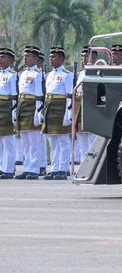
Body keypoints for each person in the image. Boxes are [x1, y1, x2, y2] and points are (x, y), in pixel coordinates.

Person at [41, 47, 73, 180]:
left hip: (61, 107)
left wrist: (68, 115)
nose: (51, 59)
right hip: (49, 106)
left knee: (63, 141)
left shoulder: (67, 74)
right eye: (50, 57)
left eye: (53, 57)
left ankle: (63, 169)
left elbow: (69, 96)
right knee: (52, 141)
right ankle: (54, 169)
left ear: (61, 58)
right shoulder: (49, 75)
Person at [15, 45, 45, 179]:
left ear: (35, 58)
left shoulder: (38, 74)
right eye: (24, 56)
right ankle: (27, 168)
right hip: (22, 106)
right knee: (25, 142)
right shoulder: (22, 74)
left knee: (34, 142)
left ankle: (34, 169)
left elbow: (39, 95)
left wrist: (38, 113)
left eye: (28, 56)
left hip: (32, 106)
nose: (25, 58)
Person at [0, 47, 17, 179]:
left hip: (7, 108)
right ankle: (1, 167)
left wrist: (14, 114)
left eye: (3, 57)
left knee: (8, 141)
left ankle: (8, 169)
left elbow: (14, 96)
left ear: (11, 60)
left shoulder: (12, 75)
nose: (0, 59)